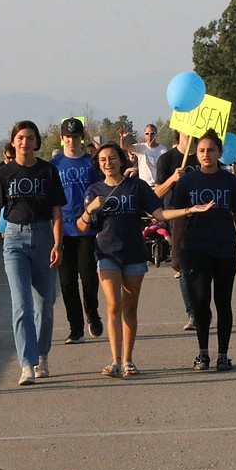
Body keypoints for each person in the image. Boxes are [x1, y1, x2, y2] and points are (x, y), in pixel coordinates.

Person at [78, 143, 210, 378]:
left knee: (129, 307)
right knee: (113, 305)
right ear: (98, 165)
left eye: (112, 158)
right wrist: (89, 210)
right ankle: (115, 361)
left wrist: (188, 210)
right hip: (107, 254)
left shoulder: (136, 187)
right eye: (103, 160)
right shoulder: (93, 190)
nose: (108, 163)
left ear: (121, 160)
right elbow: (80, 227)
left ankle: (128, 361)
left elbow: (158, 214)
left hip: (133, 254)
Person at [0, 121, 66, 386]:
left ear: (36, 143)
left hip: (43, 237)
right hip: (14, 239)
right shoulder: (3, 174)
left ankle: (42, 354)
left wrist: (58, 244)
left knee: (45, 307)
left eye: (29, 138)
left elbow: (57, 212)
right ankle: (26, 364)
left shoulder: (48, 171)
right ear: (13, 142)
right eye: (20, 138)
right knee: (21, 304)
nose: (25, 143)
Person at [169, 130, 236, 372]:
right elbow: (179, 219)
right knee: (201, 302)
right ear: (196, 153)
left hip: (224, 250)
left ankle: (223, 355)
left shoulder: (230, 182)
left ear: (220, 153)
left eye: (211, 150)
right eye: (202, 150)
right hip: (194, 249)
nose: (207, 155)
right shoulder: (187, 182)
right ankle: (203, 353)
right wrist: (174, 251)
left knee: (223, 302)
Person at [51, 117, 103, 344]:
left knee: (89, 276)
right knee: (67, 282)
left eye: (76, 137)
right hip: (62, 230)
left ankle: (92, 313)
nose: (72, 141)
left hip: (87, 228)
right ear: (62, 139)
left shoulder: (91, 164)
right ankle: (76, 327)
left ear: (81, 138)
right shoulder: (54, 166)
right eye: (68, 137)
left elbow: (102, 189)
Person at [155, 130, 200, 330]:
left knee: (203, 268)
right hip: (177, 216)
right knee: (183, 267)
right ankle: (192, 313)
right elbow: (157, 192)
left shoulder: (203, 154)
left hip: (203, 215)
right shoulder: (167, 159)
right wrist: (172, 179)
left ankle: (203, 309)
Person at [120, 123, 168, 188]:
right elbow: (124, 147)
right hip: (144, 186)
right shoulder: (141, 147)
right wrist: (122, 138)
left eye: (152, 133)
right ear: (144, 135)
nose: (149, 136)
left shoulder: (163, 150)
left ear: (156, 135)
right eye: (147, 133)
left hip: (158, 186)